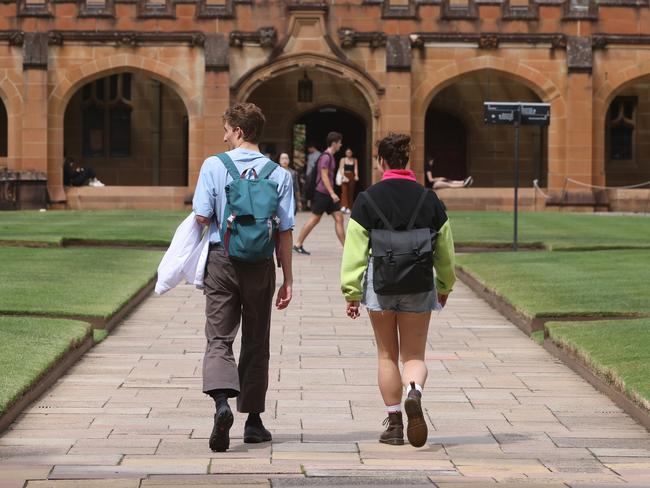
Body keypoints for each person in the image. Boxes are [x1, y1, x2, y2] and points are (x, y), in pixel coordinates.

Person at [340, 133, 456, 448]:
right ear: (408, 161)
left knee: (386, 354)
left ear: (381, 162)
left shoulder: (367, 198)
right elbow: (444, 248)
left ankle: (394, 426)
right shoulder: (429, 198)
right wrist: (445, 284)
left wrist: (352, 291)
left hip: (381, 283)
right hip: (419, 283)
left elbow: (355, 251)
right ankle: (414, 390)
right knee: (414, 355)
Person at [193, 102, 295, 452]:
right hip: (261, 263)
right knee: (256, 339)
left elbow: (203, 216)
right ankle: (253, 422)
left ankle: (222, 404)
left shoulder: (213, 166)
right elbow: (285, 230)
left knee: (219, 337)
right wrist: (288, 279)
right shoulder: (280, 174)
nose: (224, 137)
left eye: (226, 130)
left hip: (222, 259)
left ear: (238, 131)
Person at [293, 132, 345, 255]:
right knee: (315, 219)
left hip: (327, 194)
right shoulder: (326, 157)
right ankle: (297, 244)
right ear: (334, 143)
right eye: (339, 142)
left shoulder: (330, 156)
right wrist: (332, 193)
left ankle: (347, 248)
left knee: (339, 217)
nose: (341, 145)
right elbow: (324, 176)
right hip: (323, 193)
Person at [338, 147, 359, 213]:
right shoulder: (343, 159)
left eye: (350, 152)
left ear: (352, 153)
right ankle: (344, 206)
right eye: (347, 152)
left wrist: (356, 175)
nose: (348, 153)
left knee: (351, 192)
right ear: (345, 153)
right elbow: (341, 169)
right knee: (344, 191)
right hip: (345, 175)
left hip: (351, 175)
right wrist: (343, 176)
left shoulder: (354, 159)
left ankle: (350, 207)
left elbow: (355, 168)